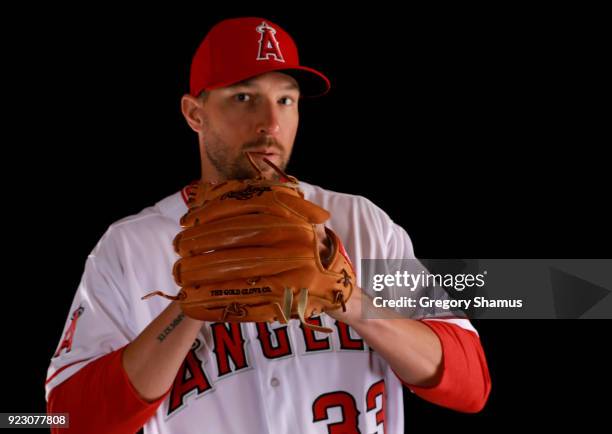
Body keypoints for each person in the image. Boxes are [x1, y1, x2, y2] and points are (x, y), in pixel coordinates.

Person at [46, 17, 491, 434]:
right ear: (194, 114)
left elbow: (472, 385)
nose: (271, 124)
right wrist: (187, 308)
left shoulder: (361, 223)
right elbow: (68, 418)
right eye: (244, 97)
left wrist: (349, 299)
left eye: (286, 99)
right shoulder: (130, 246)